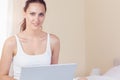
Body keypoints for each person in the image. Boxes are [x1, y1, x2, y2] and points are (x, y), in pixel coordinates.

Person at [0, 0, 60, 80]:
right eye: (32, 14)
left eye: (41, 14)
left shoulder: (54, 41)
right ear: (24, 13)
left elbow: (54, 74)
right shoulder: (11, 43)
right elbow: (2, 76)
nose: (36, 19)